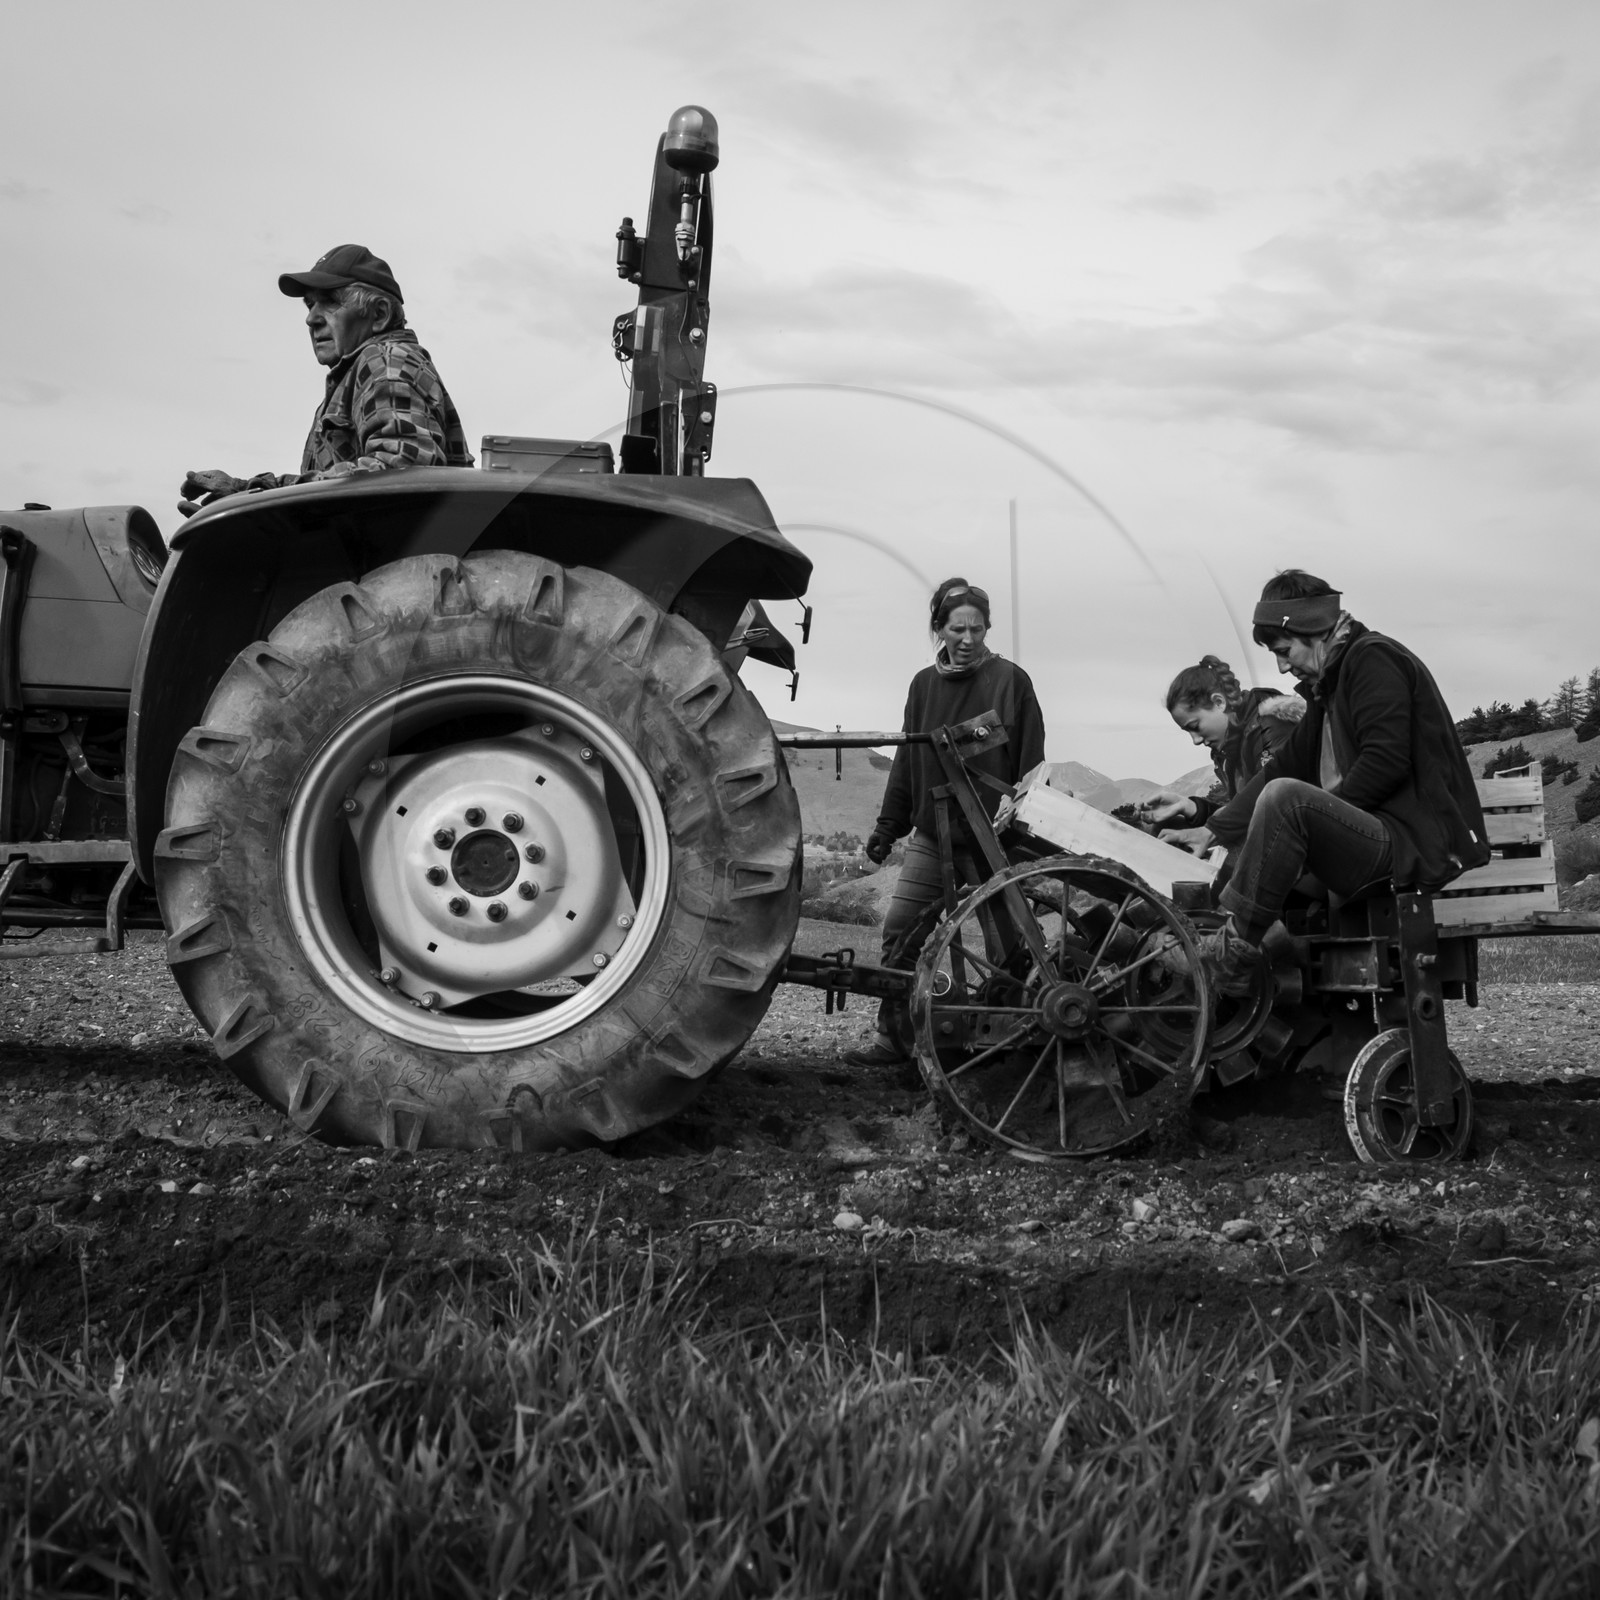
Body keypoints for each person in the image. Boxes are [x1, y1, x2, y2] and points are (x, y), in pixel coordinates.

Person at [1162, 570, 1489, 993]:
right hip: (1380, 835)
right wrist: (1213, 828)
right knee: (1284, 795)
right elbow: (1284, 767)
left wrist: (1324, 815)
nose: (1281, 666)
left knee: (1289, 801)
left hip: (1411, 843)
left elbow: (1385, 762)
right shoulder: (1330, 682)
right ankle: (1248, 951)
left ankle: (1233, 952)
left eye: (1284, 650)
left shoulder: (1374, 660)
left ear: (1314, 630)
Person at [846, 577, 1047, 1068]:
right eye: (958, 629)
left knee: (1008, 946)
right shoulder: (923, 685)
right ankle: (894, 1039)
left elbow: (1032, 766)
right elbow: (907, 762)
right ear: (939, 629)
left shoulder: (1011, 681)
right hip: (933, 836)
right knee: (900, 932)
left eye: (978, 629)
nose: (969, 638)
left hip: (992, 842)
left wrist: (1019, 810)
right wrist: (886, 828)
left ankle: (1013, 1044)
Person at [177, 243, 473, 517]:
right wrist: (243, 497)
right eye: (309, 305)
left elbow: (403, 473)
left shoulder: (384, 360)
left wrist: (253, 499)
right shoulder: (360, 372)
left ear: (379, 314)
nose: (312, 318)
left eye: (329, 301)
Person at [1140, 654, 1303, 843]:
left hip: (1296, 842)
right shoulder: (1229, 749)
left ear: (1219, 702)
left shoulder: (1272, 728)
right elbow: (1239, 807)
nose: (1195, 740)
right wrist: (1191, 807)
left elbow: (1269, 803)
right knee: (1167, 827)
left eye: (1195, 726)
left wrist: (1211, 831)